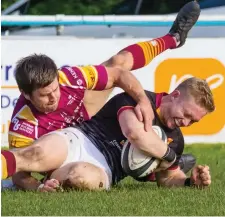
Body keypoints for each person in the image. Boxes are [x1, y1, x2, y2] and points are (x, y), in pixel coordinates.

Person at [2, 1, 200, 188]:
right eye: (45, 95)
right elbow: (20, 174)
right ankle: (166, 167)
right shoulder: (22, 127)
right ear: (26, 95)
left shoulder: (70, 77)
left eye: (56, 89)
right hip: (60, 152)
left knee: (117, 63)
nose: (54, 97)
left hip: (84, 117)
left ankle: (173, 38)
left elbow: (119, 75)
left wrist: (142, 100)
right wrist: (38, 187)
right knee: (66, 171)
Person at [1, 77, 214, 191]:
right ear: (175, 95)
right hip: (80, 139)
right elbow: (134, 133)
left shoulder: (176, 140)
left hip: (104, 169)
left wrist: (188, 182)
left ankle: (40, 183)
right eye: (186, 114)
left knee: (80, 179)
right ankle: (15, 172)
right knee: (35, 154)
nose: (185, 122)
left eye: (193, 121)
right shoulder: (138, 99)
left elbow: (168, 178)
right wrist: (171, 158)